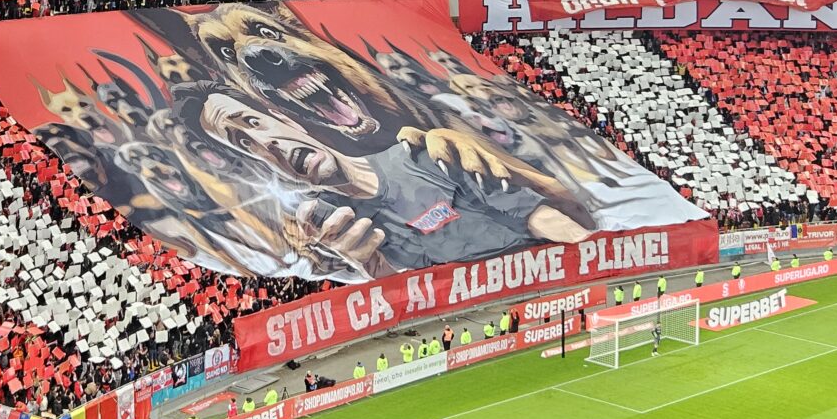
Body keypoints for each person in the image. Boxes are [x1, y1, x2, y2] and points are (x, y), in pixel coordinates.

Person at [184, 86, 592, 274]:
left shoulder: (418, 152)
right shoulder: (340, 230)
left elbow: (532, 212)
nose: (265, 143)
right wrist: (372, 266)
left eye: (253, 123)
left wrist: (592, 254)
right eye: (244, 143)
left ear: (285, 118)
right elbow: (408, 293)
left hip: (536, 274)